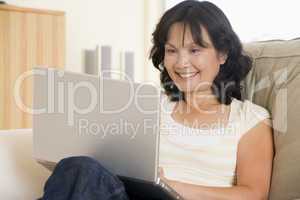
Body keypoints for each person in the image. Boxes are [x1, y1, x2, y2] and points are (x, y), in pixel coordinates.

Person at [39, 1, 274, 200]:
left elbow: (253, 194)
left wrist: (169, 185)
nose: (181, 63)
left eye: (194, 50)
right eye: (172, 51)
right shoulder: (147, 105)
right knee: (78, 167)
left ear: (222, 54)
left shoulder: (250, 119)